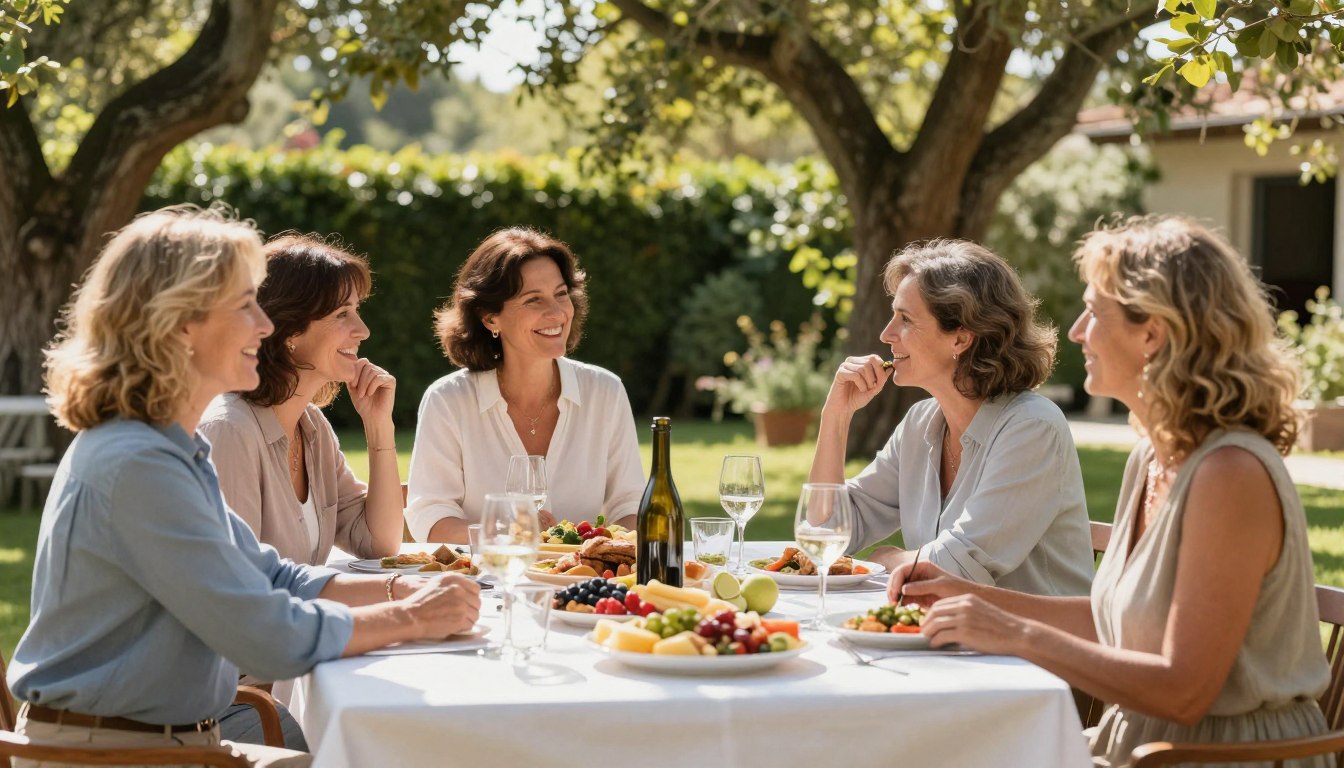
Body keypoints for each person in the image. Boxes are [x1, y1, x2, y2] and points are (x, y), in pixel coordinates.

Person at [6, 206, 480, 768]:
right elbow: (265, 636)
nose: (264, 324)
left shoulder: (168, 447)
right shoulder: (140, 464)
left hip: (165, 741)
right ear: (181, 322)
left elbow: (272, 574)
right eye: (244, 305)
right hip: (115, 755)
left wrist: (402, 592)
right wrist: (416, 619)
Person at [893, 216, 1331, 766]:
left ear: (1153, 332)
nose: (1076, 332)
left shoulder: (1230, 475)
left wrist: (1017, 634)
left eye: (1094, 313)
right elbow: (1114, 621)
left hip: (1219, 756)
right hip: (1141, 745)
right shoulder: (1153, 456)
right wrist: (969, 596)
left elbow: (1185, 691)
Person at [808, 239, 1093, 597]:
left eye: (906, 319)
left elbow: (959, 569)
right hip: (951, 639)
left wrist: (890, 558)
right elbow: (825, 532)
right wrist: (835, 417)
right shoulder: (921, 423)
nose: (886, 334)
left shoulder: (1031, 428)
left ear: (960, 338)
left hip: (1031, 648)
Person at [406, 227, 643, 544]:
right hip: (485, 584)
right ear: (490, 318)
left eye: (561, 294)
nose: (557, 312)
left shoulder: (605, 392)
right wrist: (507, 534)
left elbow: (630, 507)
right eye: (534, 300)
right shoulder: (448, 400)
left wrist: (600, 551)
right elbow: (431, 519)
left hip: (582, 585)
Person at [201, 235, 402, 567]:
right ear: (290, 329)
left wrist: (380, 428)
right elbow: (238, 581)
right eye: (342, 314)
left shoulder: (312, 427)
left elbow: (379, 542)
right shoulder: (230, 432)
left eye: (357, 310)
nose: (363, 330)